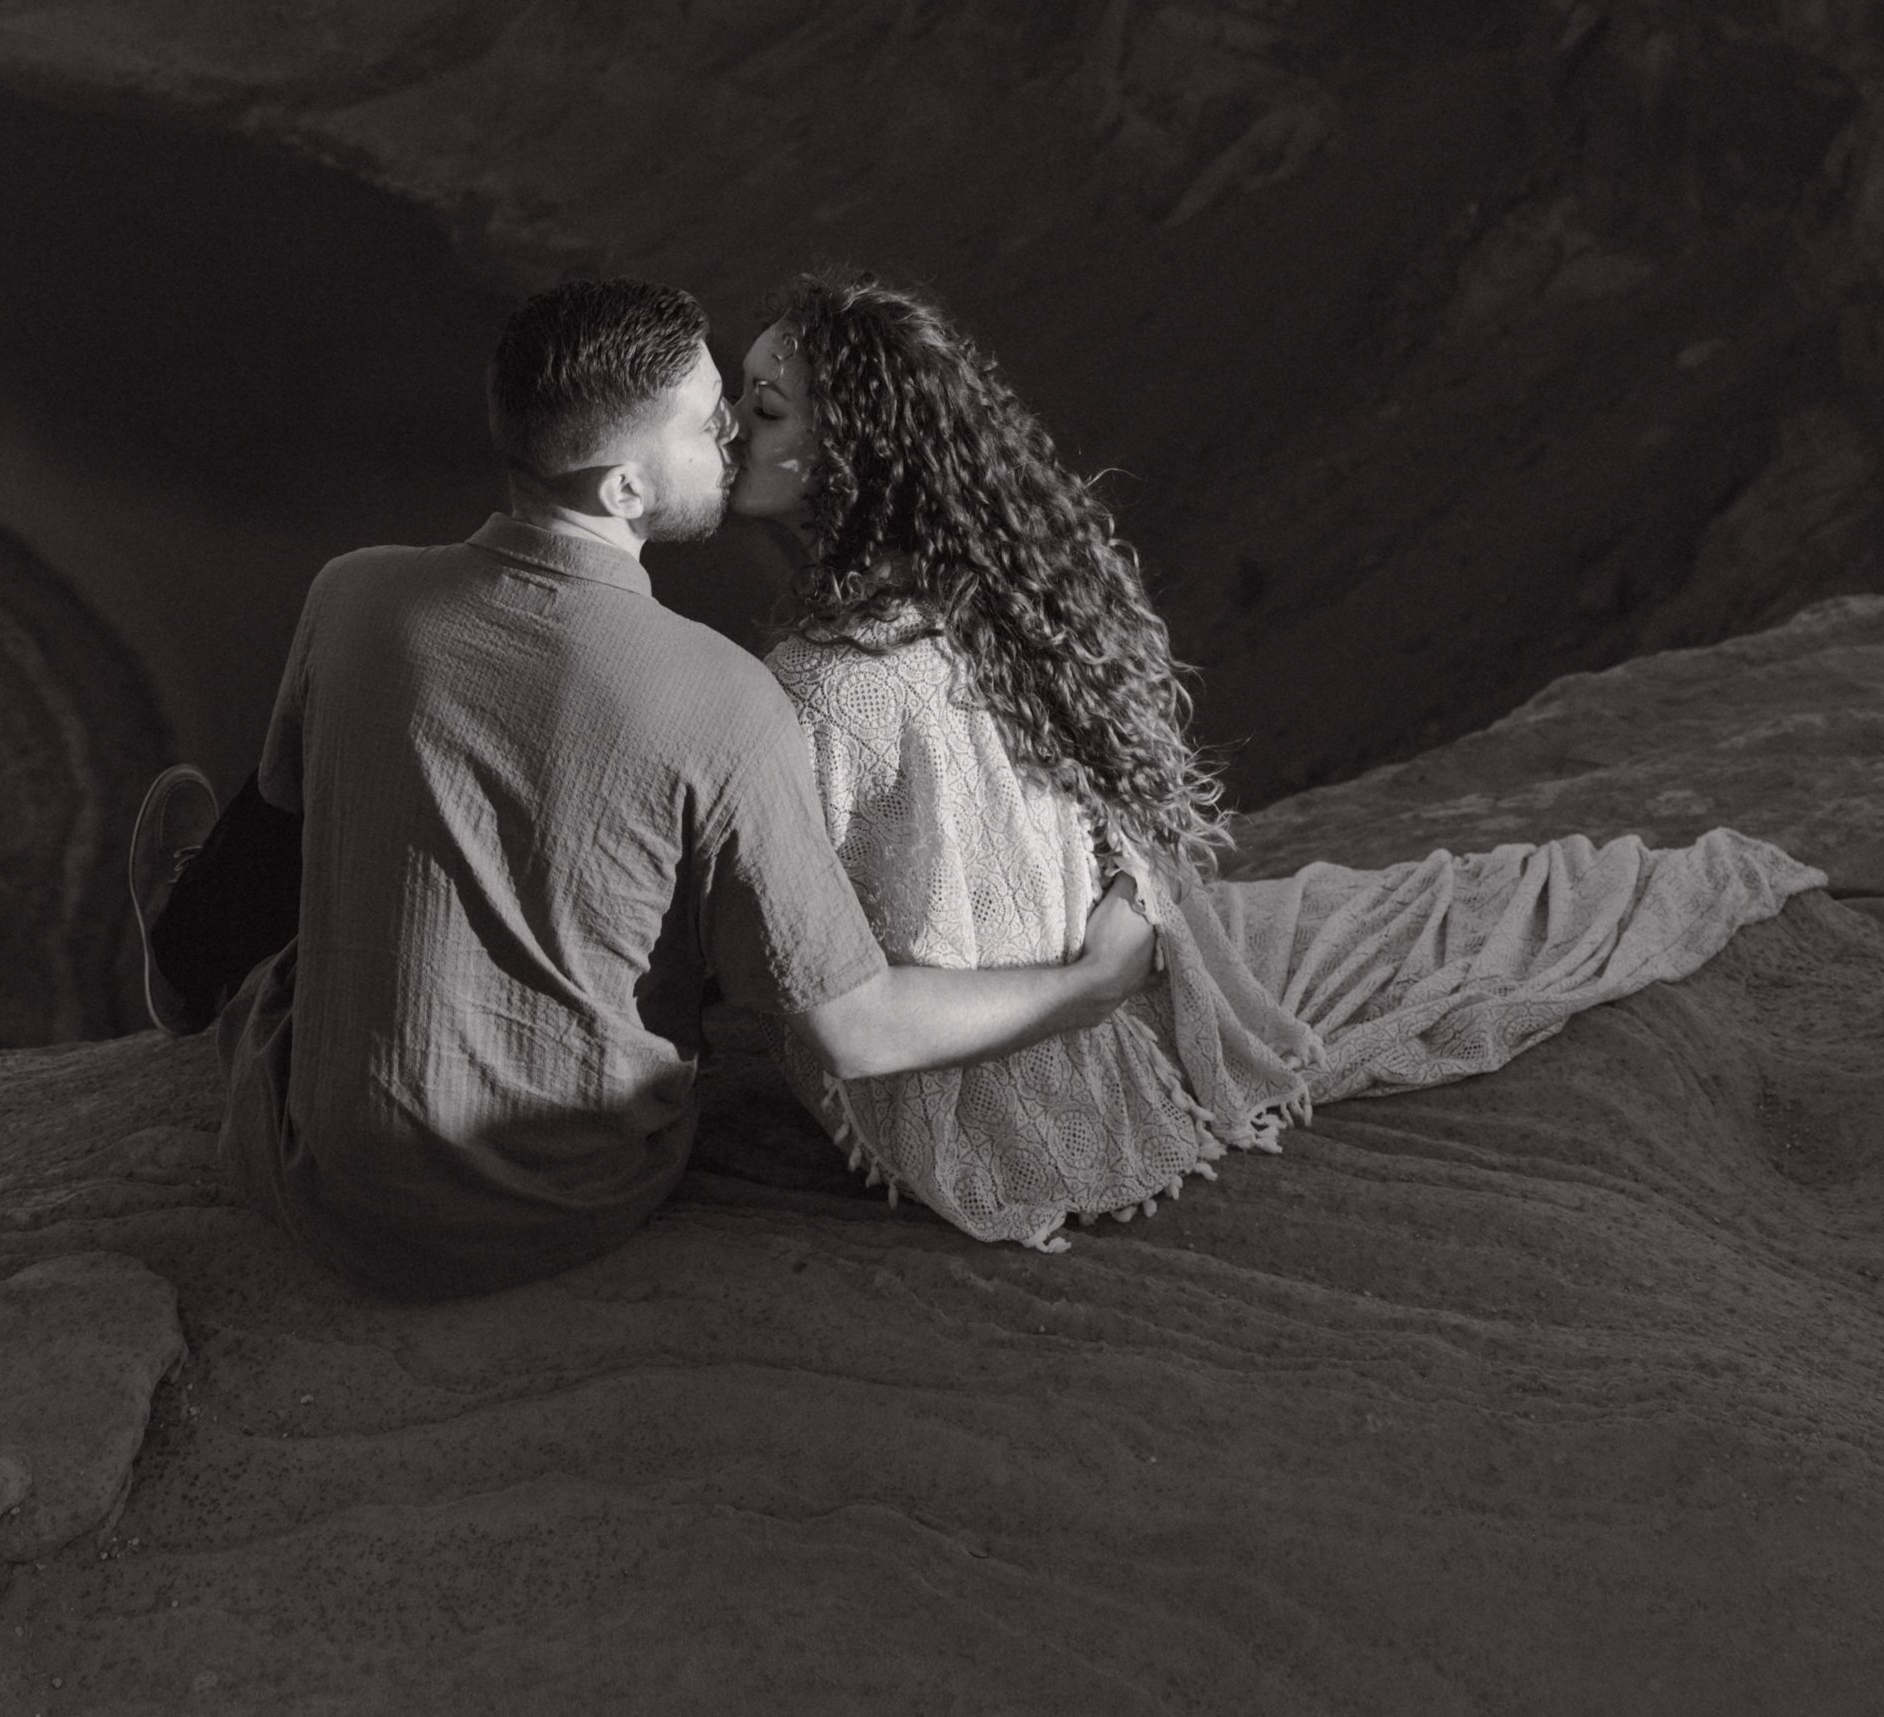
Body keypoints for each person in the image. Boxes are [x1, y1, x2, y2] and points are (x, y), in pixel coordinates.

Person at [728, 268, 1826, 1252]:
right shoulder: (991, 599)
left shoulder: (830, 683)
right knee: (1400, 926)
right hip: (1091, 994)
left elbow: (830, 977)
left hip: (968, 1092)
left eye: (764, 408)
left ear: (846, 456)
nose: (731, 428)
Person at [129, 277, 1162, 1300]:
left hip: (333, 1194)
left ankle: (188, 950)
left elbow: (285, 821)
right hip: (580, 1196)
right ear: (623, 489)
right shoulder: (728, 698)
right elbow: (854, 1028)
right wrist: (1091, 986)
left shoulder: (352, 593)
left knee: (308, 912)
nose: (729, 437)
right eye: (708, 423)